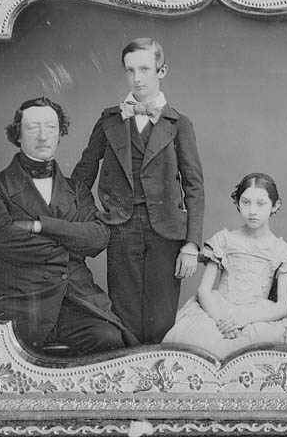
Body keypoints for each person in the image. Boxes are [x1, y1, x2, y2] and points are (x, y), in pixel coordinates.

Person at [0, 97, 138, 356]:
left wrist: (41, 226)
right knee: (9, 353)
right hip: (19, 300)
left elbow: (98, 238)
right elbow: (0, 240)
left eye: (51, 128)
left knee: (109, 339)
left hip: (74, 300)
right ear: (17, 134)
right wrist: (70, 244)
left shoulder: (76, 189)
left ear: (60, 133)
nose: (43, 136)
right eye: (33, 128)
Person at [71, 38, 204, 344]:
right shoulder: (109, 120)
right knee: (125, 313)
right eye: (130, 70)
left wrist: (191, 244)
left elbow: (194, 186)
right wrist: (93, 215)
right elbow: (81, 176)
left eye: (145, 69)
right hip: (121, 227)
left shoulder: (179, 124)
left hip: (167, 230)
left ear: (162, 71)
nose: (137, 78)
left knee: (162, 317)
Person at [163, 173, 287, 359]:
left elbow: (282, 306)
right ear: (237, 203)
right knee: (198, 343)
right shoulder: (224, 240)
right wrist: (221, 321)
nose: (252, 211)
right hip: (218, 310)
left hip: (256, 315)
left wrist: (244, 319)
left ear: (275, 205)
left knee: (259, 349)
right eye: (246, 202)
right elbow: (204, 290)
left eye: (260, 204)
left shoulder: (282, 251)